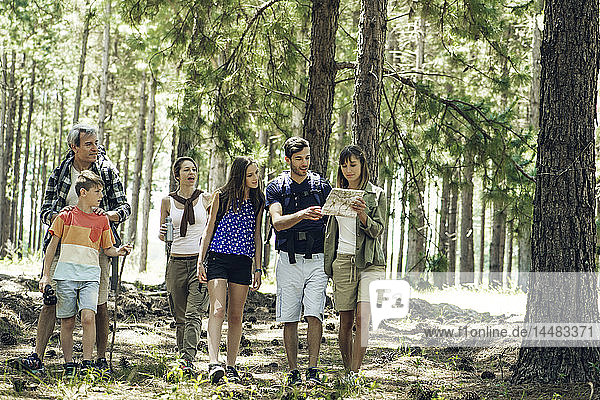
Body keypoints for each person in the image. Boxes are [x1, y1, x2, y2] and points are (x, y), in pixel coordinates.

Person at [19, 123, 130, 374]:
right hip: (63, 245)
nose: (95, 148)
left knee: (99, 303)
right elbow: (46, 210)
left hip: (97, 246)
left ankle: (99, 360)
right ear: (74, 147)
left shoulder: (107, 171)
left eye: (96, 143)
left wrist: (107, 215)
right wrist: (63, 217)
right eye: (88, 144)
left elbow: (124, 208)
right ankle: (38, 357)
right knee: (51, 299)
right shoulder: (60, 172)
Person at [39, 171, 131, 375]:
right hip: (65, 277)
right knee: (68, 321)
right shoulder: (64, 217)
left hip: (90, 277)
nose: (101, 196)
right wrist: (46, 276)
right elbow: (51, 248)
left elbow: (107, 249)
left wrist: (119, 251)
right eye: (97, 192)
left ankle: (88, 362)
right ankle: (69, 363)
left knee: (89, 316)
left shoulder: (102, 220)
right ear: (83, 193)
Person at [265, 137, 332, 385]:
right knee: (290, 317)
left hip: (317, 259)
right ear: (287, 160)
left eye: (307, 158)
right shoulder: (276, 187)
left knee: (315, 314)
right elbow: (277, 223)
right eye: (299, 159)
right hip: (288, 260)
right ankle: (293, 371)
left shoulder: (321, 186)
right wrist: (303, 214)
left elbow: (334, 220)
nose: (304, 163)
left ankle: (313, 369)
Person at [198, 156, 264, 384]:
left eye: (256, 173)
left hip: (243, 261)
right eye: (250, 175)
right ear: (239, 176)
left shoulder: (258, 200)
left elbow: (257, 235)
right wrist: (200, 260)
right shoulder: (222, 196)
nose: (255, 178)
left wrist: (258, 267)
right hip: (218, 257)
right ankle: (213, 362)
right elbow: (208, 230)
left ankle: (231, 365)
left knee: (236, 314)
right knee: (217, 309)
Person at [323, 145, 386, 383]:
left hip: (370, 262)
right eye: (344, 165)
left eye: (353, 165)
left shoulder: (376, 194)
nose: (349, 170)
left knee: (363, 318)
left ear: (362, 166)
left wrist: (363, 215)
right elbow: (331, 233)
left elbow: (378, 229)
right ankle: (348, 368)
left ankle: (355, 374)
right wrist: (329, 265)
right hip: (342, 261)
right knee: (346, 321)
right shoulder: (336, 194)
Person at [158, 157, 211, 374]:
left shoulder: (206, 199)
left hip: (199, 262)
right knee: (179, 316)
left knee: (193, 313)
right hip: (176, 262)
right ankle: (182, 359)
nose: (191, 172)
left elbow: (212, 230)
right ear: (177, 174)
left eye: (194, 169)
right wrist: (162, 234)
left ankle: (188, 359)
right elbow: (163, 235)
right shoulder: (167, 201)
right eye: (186, 169)